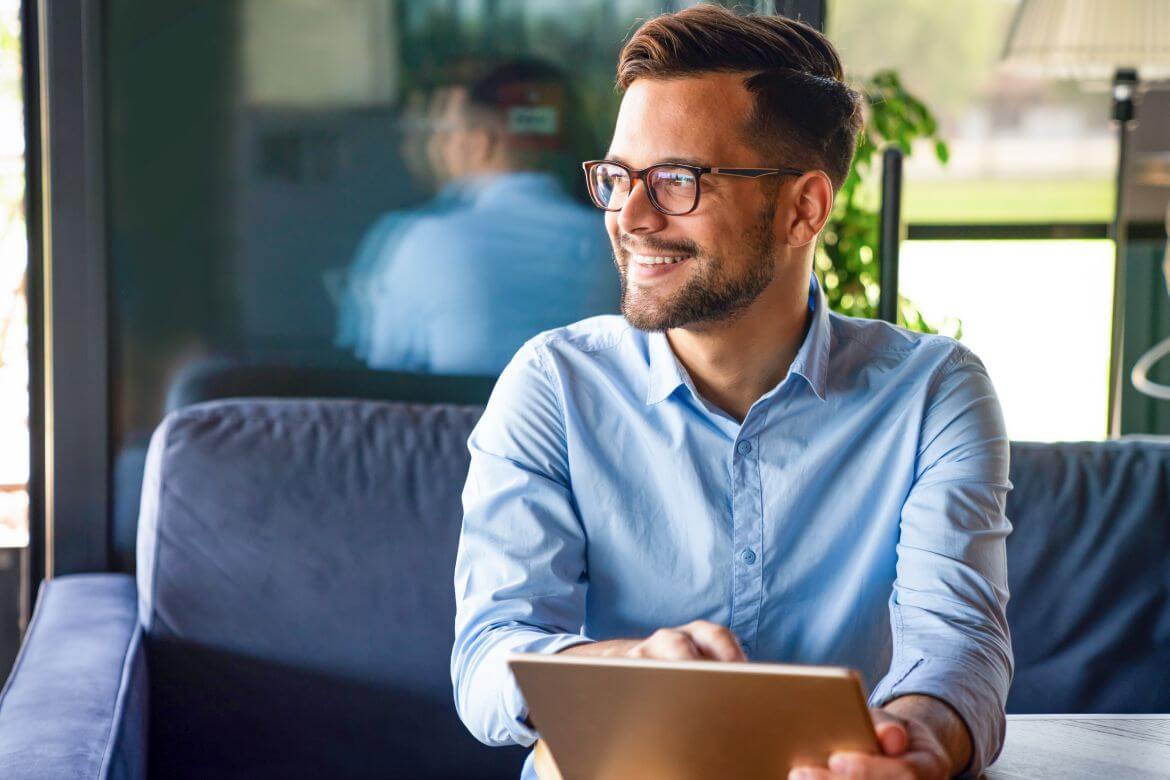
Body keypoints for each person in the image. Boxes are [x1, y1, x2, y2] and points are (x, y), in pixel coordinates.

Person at [452, 6, 1012, 779]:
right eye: (618, 177)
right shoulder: (552, 384)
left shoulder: (935, 393)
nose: (630, 216)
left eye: (676, 180)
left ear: (803, 208)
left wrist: (917, 744)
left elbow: (957, 648)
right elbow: (487, 658)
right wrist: (630, 669)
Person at [337, 60, 619, 375]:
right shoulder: (608, 239)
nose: (434, 147)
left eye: (445, 133)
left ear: (481, 142)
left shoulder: (424, 241)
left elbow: (382, 369)